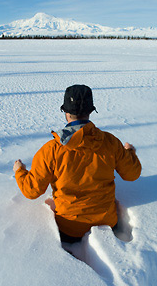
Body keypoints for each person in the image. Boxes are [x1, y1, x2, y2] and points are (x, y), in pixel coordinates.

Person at [13, 84, 141, 244]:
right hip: (107, 222)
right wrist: (130, 153)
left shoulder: (51, 150)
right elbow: (132, 174)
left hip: (69, 228)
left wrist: (20, 171)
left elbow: (32, 190)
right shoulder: (110, 142)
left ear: (66, 113)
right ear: (90, 111)